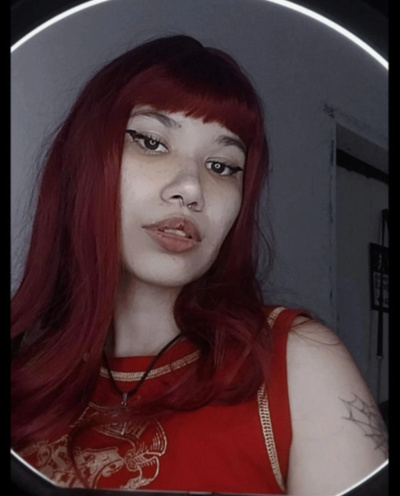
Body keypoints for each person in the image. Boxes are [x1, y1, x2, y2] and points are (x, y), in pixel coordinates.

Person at [11, 35, 388, 495]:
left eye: (222, 166)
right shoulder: (23, 374)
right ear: (84, 160)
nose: (191, 189)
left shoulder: (298, 364)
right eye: (151, 142)